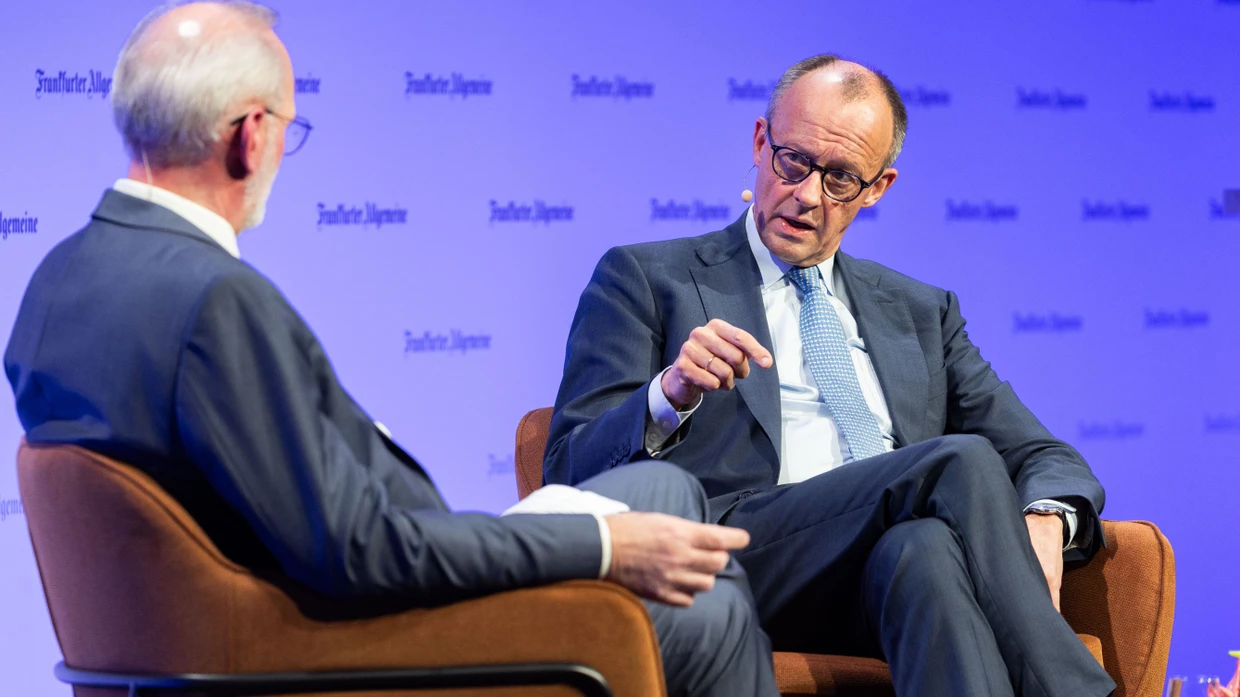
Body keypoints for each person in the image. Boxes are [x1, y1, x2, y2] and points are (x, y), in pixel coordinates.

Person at [3, 3, 779, 696]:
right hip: (345, 638)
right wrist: (601, 543)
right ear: (249, 136)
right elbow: (357, 549)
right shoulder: (214, 300)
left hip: (238, 620)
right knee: (711, 605)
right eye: (286, 129)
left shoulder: (61, 274)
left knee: (668, 497)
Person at [546, 54, 1116, 697]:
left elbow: (1043, 453)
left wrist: (1043, 515)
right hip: (734, 559)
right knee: (957, 462)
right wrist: (668, 395)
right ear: (761, 144)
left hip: (874, 582)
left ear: (879, 187)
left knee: (924, 550)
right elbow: (567, 472)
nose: (808, 194)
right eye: (794, 161)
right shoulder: (648, 278)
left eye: (841, 177)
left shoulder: (920, 311)